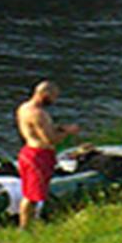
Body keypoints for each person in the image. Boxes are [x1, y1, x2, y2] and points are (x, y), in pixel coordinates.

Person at [15, 80, 82, 227]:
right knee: (32, 196)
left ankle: (28, 224)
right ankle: (25, 227)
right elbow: (50, 139)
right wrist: (68, 131)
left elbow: (40, 130)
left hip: (27, 151)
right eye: (53, 97)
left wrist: (59, 127)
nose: (54, 101)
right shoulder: (39, 114)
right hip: (38, 155)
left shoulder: (24, 108)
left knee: (30, 192)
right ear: (45, 94)